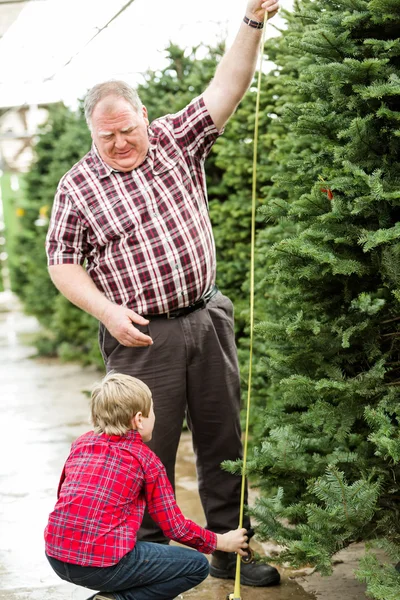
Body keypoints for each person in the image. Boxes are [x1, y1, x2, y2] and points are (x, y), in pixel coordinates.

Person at [45, 0, 281, 587]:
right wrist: (106, 310)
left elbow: (228, 86)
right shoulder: (77, 185)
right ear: (91, 133)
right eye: (107, 136)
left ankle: (232, 550)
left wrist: (251, 21)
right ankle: (145, 566)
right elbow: (62, 263)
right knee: (140, 455)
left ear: (145, 116)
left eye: (128, 129)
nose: (121, 142)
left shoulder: (178, 139)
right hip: (140, 335)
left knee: (224, 439)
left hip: (207, 318)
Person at [45, 372, 251, 600]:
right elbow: (175, 528)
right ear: (140, 419)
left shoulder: (82, 444)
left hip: (55, 555)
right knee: (196, 566)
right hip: (102, 564)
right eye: (153, 410)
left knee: (128, 552)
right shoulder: (146, 461)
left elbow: (65, 496)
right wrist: (221, 541)